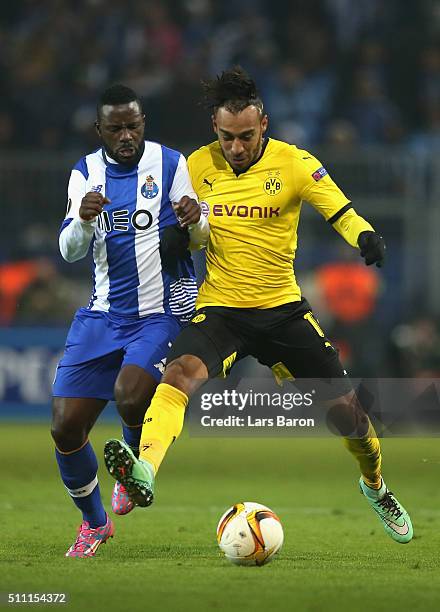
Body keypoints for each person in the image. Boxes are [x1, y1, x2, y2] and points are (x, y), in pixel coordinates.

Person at [104, 68, 413, 544]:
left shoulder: (294, 163)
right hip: (221, 309)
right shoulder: (195, 167)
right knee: (179, 374)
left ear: (263, 125)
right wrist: (174, 239)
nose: (236, 147)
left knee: (351, 420)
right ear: (215, 128)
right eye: (227, 137)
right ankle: (143, 469)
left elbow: (340, 211)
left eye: (246, 136)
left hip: (283, 311)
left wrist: (365, 236)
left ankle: (374, 484)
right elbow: (179, 231)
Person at [52, 84, 209, 558]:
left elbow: (200, 239)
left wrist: (194, 219)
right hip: (101, 316)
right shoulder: (84, 173)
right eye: (116, 127)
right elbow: (68, 250)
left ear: (144, 123)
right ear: (99, 130)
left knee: (129, 394)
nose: (126, 135)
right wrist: (80, 220)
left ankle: (133, 467)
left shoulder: (170, 164)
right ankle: (95, 524)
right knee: (64, 428)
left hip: (157, 315)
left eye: (133, 125)